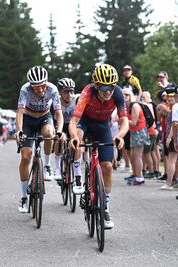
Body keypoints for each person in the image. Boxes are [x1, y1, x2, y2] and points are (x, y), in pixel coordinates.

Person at [68, 64, 129, 229]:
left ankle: (106, 208)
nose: (108, 91)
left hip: (102, 126)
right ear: (96, 85)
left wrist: (120, 136)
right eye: (103, 87)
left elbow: (124, 122)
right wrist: (74, 137)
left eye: (111, 86)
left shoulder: (117, 93)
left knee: (107, 166)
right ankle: (78, 177)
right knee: (79, 137)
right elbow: (74, 121)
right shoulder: (87, 92)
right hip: (85, 122)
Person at [15, 66, 63, 213]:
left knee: (49, 132)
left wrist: (59, 130)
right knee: (25, 156)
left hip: (44, 117)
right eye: (36, 87)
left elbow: (59, 113)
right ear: (31, 85)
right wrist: (19, 130)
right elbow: (20, 112)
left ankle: (47, 165)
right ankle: (23, 197)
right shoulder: (25, 89)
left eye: (42, 85)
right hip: (28, 120)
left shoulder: (52, 89)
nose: (41, 89)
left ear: (46, 83)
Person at [123, 88, 150, 186]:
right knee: (134, 155)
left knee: (137, 156)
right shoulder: (127, 106)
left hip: (139, 131)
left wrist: (122, 119)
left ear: (130, 95)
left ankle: (139, 177)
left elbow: (134, 122)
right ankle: (137, 176)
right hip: (134, 132)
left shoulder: (134, 105)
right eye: (123, 94)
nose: (124, 96)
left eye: (126, 94)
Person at [53, 77, 77, 181]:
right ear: (60, 92)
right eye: (66, 92)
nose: (69, 95)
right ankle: (57, 167)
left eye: (71, 91)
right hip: (59, 125)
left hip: (72, 125)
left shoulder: (77, 99)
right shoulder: (55, 100)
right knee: (60, 138)